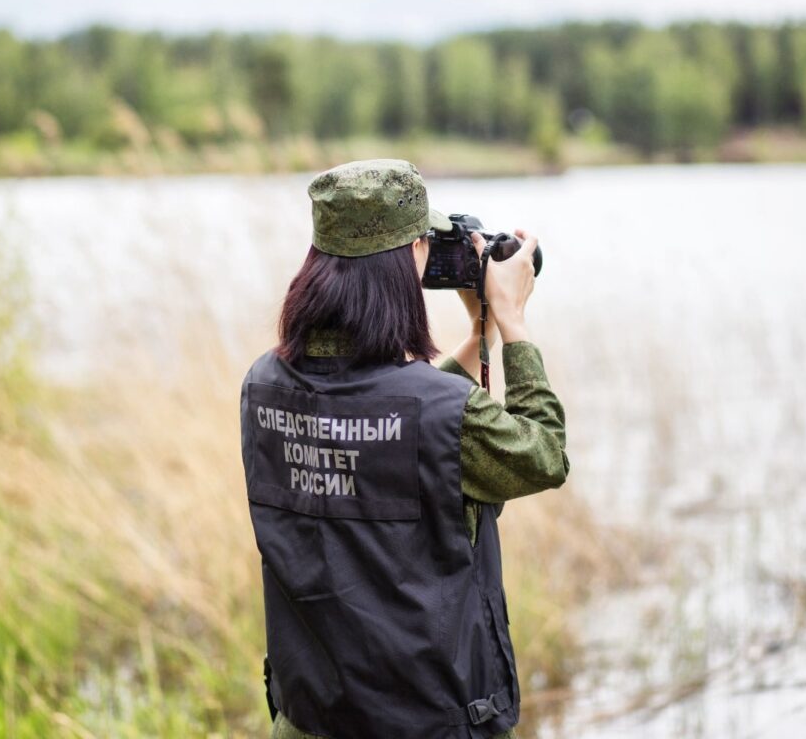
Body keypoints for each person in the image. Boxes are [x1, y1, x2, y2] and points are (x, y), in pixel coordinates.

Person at [240, 159, 570, 739]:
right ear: (412, 255)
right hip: (425, 722)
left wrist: (477, 337)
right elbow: (543, 454)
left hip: (310, 718)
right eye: (427, 243)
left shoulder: (263, 385)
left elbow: (390, 419)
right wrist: (512, 324)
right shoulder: (438, 411)